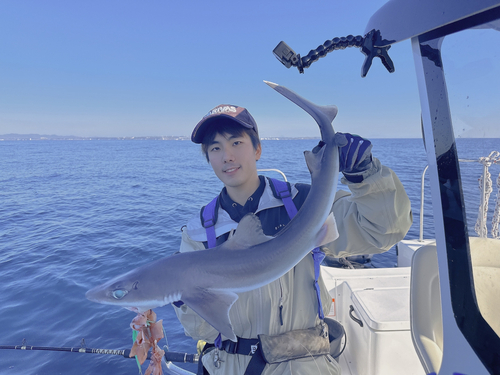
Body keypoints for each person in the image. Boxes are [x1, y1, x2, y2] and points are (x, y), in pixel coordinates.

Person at [173, 104, 412, 375]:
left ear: (258, 149)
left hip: (305, 364)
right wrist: (185, 300)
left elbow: (382, 230)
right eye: (215, 148)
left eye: (236, 142)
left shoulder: (306, 203)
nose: (227, 156)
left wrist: (366, 175)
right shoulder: (198, 233)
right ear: (208, 158)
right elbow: (201, 330)